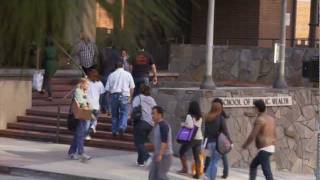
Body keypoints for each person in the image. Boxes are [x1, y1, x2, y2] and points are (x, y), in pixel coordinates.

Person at [242, 100, 276, 180]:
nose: (254, 109)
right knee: (253, 165)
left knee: (267, 172)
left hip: (264, 148)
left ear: (257, 108)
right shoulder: (271, 119)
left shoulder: (260, 119)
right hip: (270, 147)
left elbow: (252, 135)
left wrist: (245, 145)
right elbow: (275, 133)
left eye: (254, 108)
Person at [105, 61, 135, 137]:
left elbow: (107, 90)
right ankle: (122, 126)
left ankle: (114, 130)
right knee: (124, 112)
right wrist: (130, 97)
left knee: (114, 114)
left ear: (115, 67)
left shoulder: (111, 75)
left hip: (114, 95)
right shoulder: (128, 74)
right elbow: (132, 87)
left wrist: (108, 101)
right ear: (123, 66)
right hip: (124, 95)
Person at [204, 98, 232, 180]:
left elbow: (205, 132)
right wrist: (230, 142)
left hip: (209, 143)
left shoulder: (207, 117)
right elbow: (226, 131)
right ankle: (210, 177)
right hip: (218, 143)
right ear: (220, 108)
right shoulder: (220, 118)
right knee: (215, 162)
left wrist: (204, 144)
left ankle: (207, 175)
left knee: (210, 160)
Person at [132, 85, 157, 167]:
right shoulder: (152, 99)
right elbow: (155, 109)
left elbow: (134, 107)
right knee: (141, 142)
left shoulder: (138, 98)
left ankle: (147, 157)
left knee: (138, 142)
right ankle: (140, 161)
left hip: (141, 122)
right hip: (150, 124)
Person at [68, 78, 92, 162]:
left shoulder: (82, 91)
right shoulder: (78, 91)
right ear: (82, 84)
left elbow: (86, 102)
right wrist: (87, 105)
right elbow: (81, 103)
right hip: (80, 115)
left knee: (78, 135)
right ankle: (81, 153)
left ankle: (71, 152)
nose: (88, 86)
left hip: (82, 115)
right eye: (87, 84)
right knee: (80, 135)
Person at [178, 101, 203, 179]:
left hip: (191, 138)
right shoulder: (200, 117)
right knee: (196, 157)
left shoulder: (189, 116)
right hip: (199, 138)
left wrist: (183, 124)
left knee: (181, 152)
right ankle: (197, 174)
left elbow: (190, 126)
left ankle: (185, 169)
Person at [149, 106, 173, 180]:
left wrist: (160, 155)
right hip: (157, 154)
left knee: (161, 177)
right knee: (152, 176)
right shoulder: (157, 125)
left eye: (153, 113)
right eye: (151, 114)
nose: (152, 116)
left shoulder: (163, 126)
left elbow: (164, 142)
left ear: (159, 115)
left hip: (165, 156)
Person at [99, 38, 120, 114]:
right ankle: (110, 108)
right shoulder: (116, 53)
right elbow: (119, 64)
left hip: (104, 74)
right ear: (112, 44)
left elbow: (100, 64)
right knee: (113, 92)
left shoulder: (102, 52)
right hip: (114, 74)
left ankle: (105, 107)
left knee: (104, 92)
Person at [85, 69, 105, 140]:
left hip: (87, 105)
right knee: (95, 119)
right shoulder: (100, 83)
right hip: (96, 105)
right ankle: (93, 127)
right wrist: (101, 104)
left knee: (87, 120)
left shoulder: (86, 82)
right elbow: (102, 95)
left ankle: (87, 135)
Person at [40, 37, 58, 101]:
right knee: (46, 76)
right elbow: (57, 57)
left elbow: (44, 58)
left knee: (48, 80)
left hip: (48, 64)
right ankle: (43, 89)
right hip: (54, 64)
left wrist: (42, 65)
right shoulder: (55, 49)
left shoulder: (46, 49)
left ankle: (50, 95)